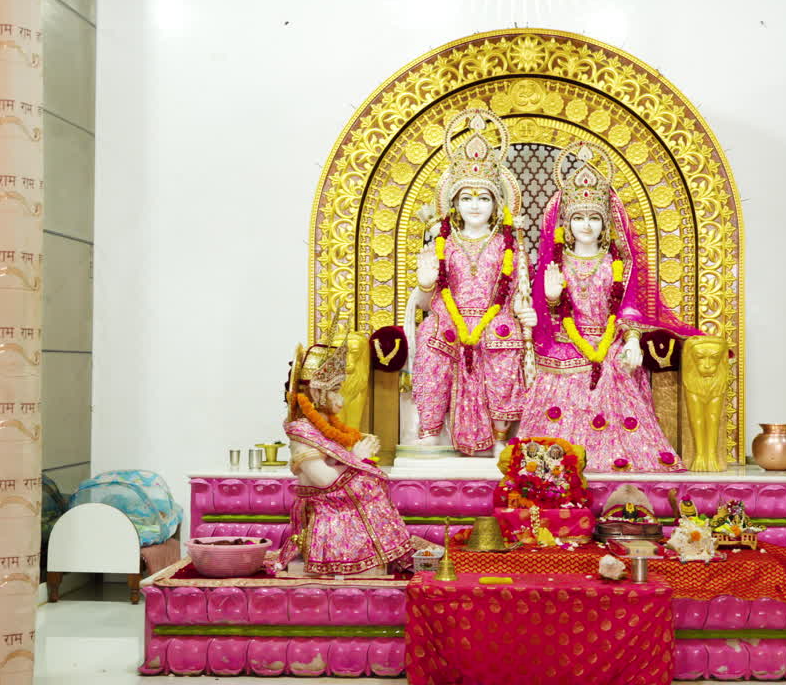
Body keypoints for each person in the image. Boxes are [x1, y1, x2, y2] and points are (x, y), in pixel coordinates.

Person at [518, 142, 701, 472]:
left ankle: (612, 458)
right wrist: (552, 297)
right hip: (566, 342)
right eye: (578, 218)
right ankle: (555, 464)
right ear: (566, 224)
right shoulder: (555, 264)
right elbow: (548, 315)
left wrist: (632, 340)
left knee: (616, 366)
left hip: (609, 340)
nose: (586, 225)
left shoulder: (618, 264)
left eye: (594, 218)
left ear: (606, 225)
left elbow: (628, 307)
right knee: (559, 379)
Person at [410, 109, 535, 456]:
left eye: (483, 198)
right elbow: (426, 301)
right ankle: (430, 430)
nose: (475, 206)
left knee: (503, 338)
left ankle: (499, 434)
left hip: (495, 319)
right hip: (450, 318)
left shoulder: (510, 244)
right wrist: (425, 285)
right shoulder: (442, 242)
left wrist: (527, 313)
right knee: (431, 335)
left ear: (497, 203)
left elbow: (518, 291)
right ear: (453, 203)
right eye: (466, 198)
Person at [270, 339, 413, 576]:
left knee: (371, 487)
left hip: (342, 499)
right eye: (335, 390)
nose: (341, 398)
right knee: (368, 489)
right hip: (329, 507)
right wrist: (357, 457)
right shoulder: (302, 431)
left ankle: (382, 553)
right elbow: (324, 479)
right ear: (316, 392)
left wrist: (356, 454)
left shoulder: (325, 425)